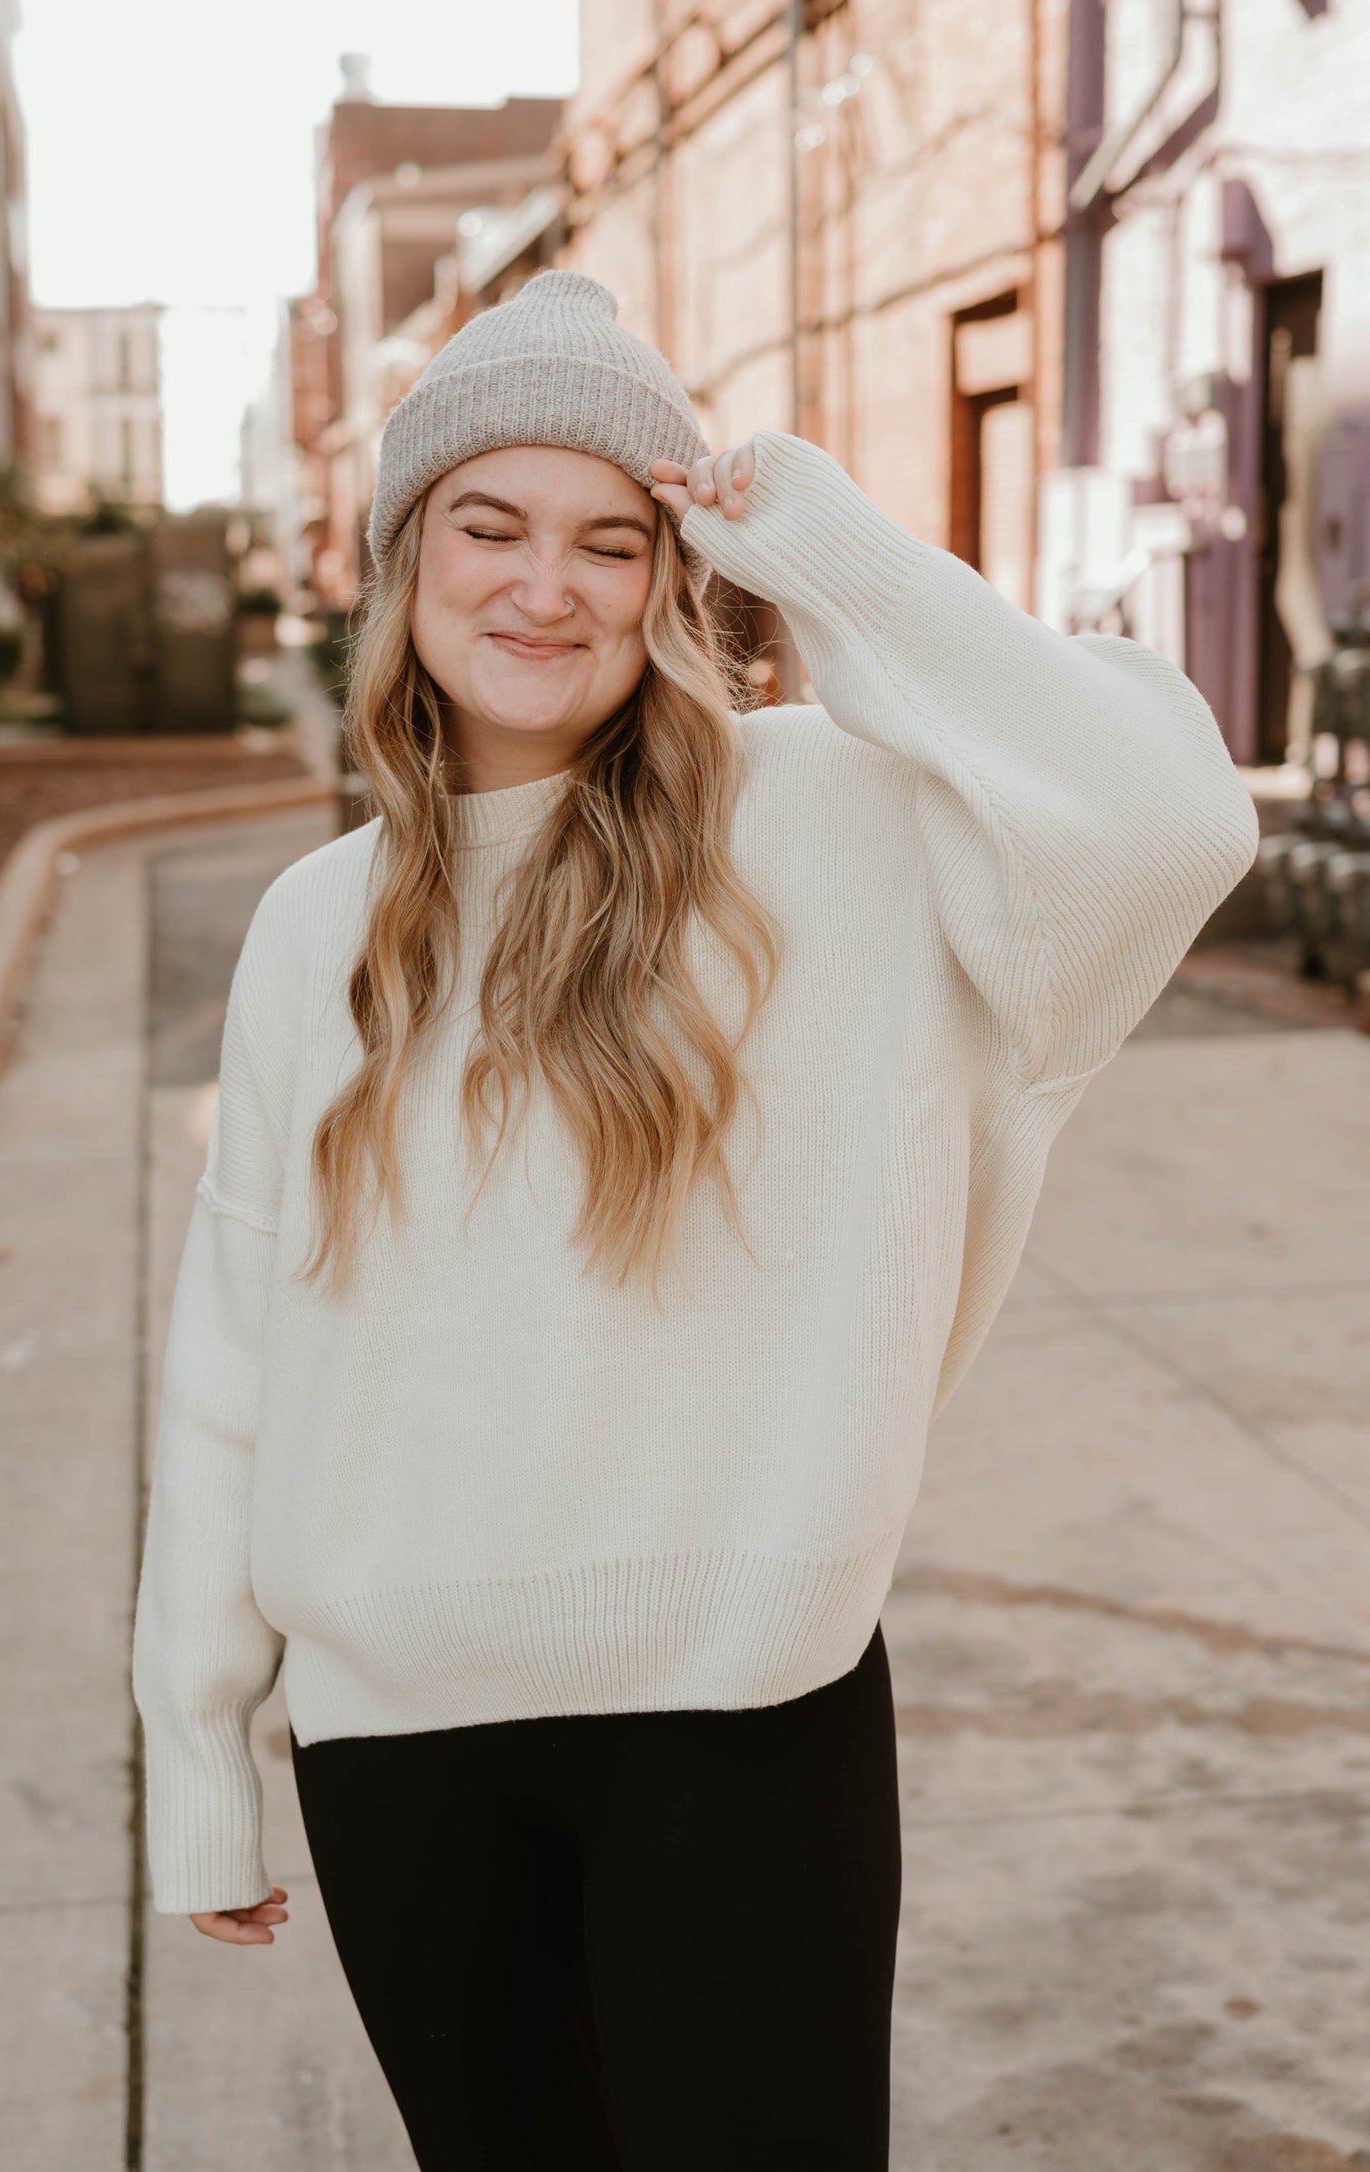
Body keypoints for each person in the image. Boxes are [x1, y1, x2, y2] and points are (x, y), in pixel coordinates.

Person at [130, 268, 1260, 2168]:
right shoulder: (313, 924)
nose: (542, 586)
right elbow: (237, 1349)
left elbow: (1166, 818)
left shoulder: (838, 826)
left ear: (674, 579)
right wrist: (197, 1750)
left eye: (610, 541)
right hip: (397, 1746)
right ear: (404, 562)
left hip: (742, 1715)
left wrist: (817, 546)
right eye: (487, 526)